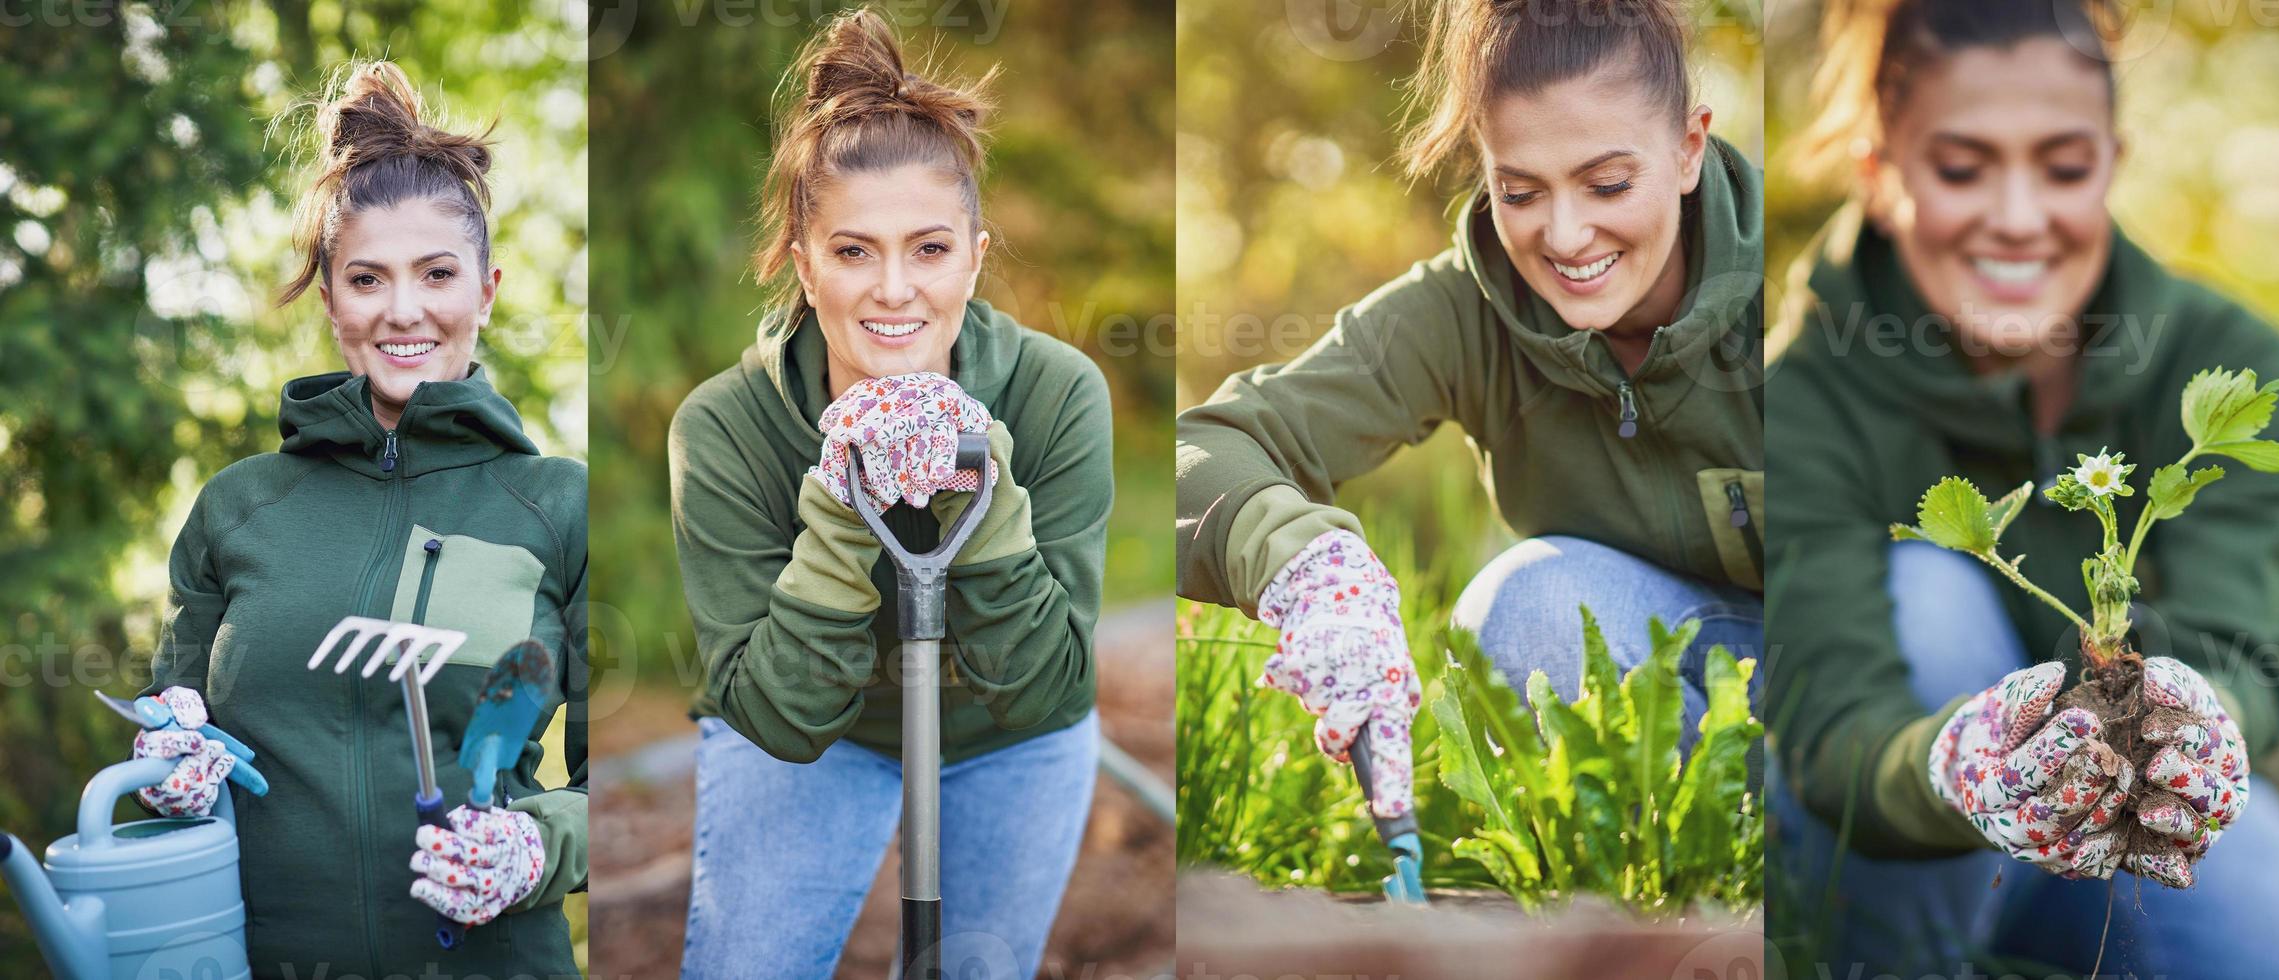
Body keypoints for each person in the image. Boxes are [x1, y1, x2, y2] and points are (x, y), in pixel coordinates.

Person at [1763, 1, 2279, 976]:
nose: (2020, 217)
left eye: (2064, 167)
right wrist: (1960, 770)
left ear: (2113, 159)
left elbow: (2241, 649)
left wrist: (2199, 716)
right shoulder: (1804, 392)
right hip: (1904, 842)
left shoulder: (2227, 364)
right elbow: (1835, 729)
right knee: (1931, 592)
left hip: (2128, 827)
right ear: (1880, 172)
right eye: (1962, 167)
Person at [1174, 0, 1764, 817]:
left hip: (1850, 680)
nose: (1565, 236)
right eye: (1520, 191)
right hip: (1679, 690)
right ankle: (1653, 892)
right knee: (1525, 607)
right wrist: (1306, 568)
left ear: (1689, 148)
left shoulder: (1802, 292)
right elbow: (1204, 448)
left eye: (1608, 184)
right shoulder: (1464, 312)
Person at [665, 10, 1113, 977]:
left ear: (977, 256)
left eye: (930, 249)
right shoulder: (724, 428)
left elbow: (1053, 687)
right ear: (803, 264)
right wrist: (834, 507)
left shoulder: (1057, 394)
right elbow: (774, 720)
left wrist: (984, 497)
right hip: (816, 743)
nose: (895, 291)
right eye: (855, 251)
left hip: (1007, 737)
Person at [136, 60, 587, 974]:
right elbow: (172, 714)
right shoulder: (240, 506)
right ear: (331, 295)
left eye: (436, 274)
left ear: (487, 289)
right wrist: (166, 752)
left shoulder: (561, 507)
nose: (404, 310)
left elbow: (608, 790)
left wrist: (537, 845)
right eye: (368, 279)